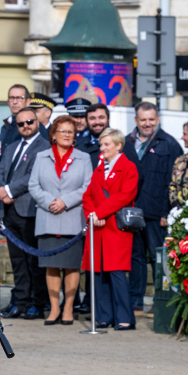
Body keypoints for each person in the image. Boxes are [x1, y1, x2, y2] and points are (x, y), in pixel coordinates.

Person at [27, 116, 93, 325]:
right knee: (51, 265)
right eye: (62, 131)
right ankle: (54, 309)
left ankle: (68, 308)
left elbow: (87, 187)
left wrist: (65, 201)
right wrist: (50, 202)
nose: (66, 135)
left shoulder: (84, 158)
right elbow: (33, 185)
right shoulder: (41, 156)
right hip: (48, 217)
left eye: (70, 132)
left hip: (73, 217)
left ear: (75, 136)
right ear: (53, 135)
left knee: (72, 266)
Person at [122, 101, 182, 316]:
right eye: (143, 119)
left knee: (159, 258)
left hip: (157, 213)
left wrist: (168, 212)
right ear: (136, 120)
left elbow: (174, 182)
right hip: (131, 211)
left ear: (158, 120)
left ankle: (160, 300)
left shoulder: (169, 144)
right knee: (135, 257)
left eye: (151, 119)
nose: (147, 124)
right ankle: (135, 301)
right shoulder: (126, 142)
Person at [0, 107, 51, 319]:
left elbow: (33, 177)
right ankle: (22, 302)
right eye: (21, 123)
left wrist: (8, 190)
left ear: (37, 122)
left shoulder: (44, 147)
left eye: (30, 122)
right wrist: (0, 191)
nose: (25, 126)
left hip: (30, 210)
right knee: (17, 261)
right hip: (9, 210)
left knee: (33, 260)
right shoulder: (12, 147)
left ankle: (38, 303)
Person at [83, 128, 138, 330]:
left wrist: (100, 213)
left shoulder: (129, 167)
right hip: (98, 227)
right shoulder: (99, 169)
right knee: (99, 273)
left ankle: (125, 317)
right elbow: (87, 196)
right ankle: (105, 316)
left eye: (106, 144)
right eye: (101, 145)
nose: (102, 148)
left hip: (116, 228)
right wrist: (92, 215)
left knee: (116, 272)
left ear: (118, 145)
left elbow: (125, 196)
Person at [73, 102, 110, 314]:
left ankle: (104, 304)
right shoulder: (82, 144)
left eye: (101, 118)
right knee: (88, 258)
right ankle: (88, 300)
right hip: (87, 210)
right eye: (93, 118)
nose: (97, 122)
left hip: (109, 212)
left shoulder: (120, 143)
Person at [0, 84, 30, 149]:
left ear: (28, 102)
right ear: (8, 102)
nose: (15, 102)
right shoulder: (5, 127)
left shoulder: (32, 126)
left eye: (19, 98)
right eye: (12, 98)